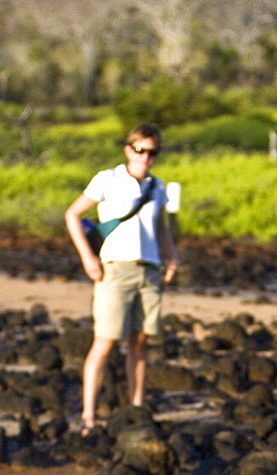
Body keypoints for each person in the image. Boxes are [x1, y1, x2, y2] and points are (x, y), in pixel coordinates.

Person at [64, 123, 179, 434]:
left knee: (140, 342)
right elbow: (72, 214)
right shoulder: (108, 180)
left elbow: (160, 228)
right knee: (104, 341)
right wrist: (88, 257)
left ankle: (137, 408)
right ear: (129, 150)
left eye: (152, 152)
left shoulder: (157, 187)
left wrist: (172, 257)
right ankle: (88, 416)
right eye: (140, 150)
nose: (146, 157)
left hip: (149, 269)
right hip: (114, 269)